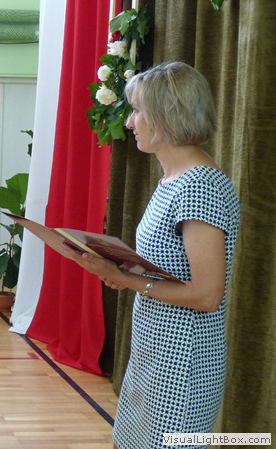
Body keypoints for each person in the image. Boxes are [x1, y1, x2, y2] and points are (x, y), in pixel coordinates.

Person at [59, 62, 240, 449]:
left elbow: (207, 295)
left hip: (183, 361)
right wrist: (120, 264)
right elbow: (170, 267)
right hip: (154, 349)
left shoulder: (200, 186)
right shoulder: (172, 180)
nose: (129, 123)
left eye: (138, 111)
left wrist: (125, 278)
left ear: (165, 116)